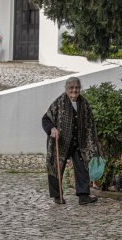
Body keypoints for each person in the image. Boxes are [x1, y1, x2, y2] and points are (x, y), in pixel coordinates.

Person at [41, 77, 101, 205]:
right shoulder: (59, 102)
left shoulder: (84, 104)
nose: (74, 90)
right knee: (56, 167)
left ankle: (83, 196)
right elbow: (46, 119)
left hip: (79, 142)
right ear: (66, 89)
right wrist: (52, 129)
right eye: (71, 88)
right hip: (61, 141)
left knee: (82, 167)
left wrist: (92, 141)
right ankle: (58, 196)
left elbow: (90, 123)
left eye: (77, 87)